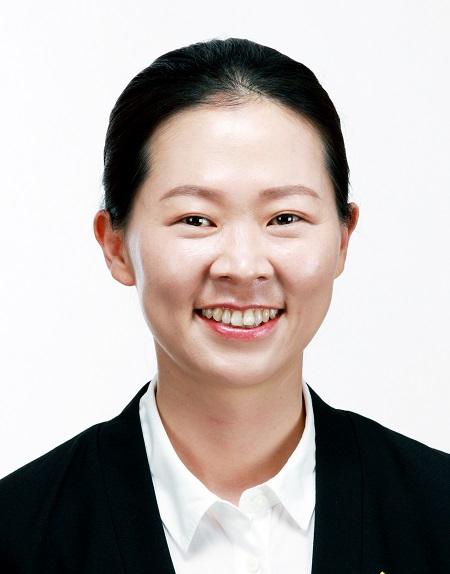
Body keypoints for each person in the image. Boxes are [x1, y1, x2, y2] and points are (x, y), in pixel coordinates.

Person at [0, 37, 449, 574]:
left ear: (343, 240)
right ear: (115, 245)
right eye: (196, 219)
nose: (242, 265)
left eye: (285, 218)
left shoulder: (438, 511)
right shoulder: (18, 534)